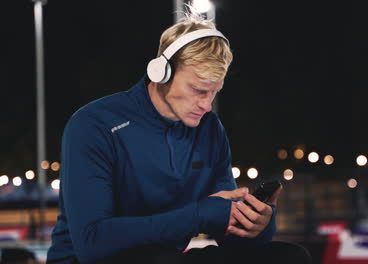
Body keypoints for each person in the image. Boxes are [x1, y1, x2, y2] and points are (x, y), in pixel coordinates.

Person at [46, 9, 312, 264]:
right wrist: (198, 215)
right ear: (161, 73)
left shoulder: (209, 129)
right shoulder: (94, 124)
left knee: (289, 257)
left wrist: (257, 224)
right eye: (198, 90)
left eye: (214, 92)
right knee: (161, 259)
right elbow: (92, 243)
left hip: (166, 259)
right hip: (94, 260)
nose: (207, 105)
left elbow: (232, 241)